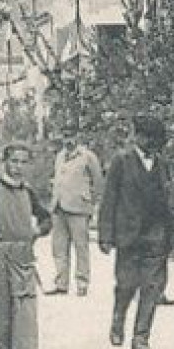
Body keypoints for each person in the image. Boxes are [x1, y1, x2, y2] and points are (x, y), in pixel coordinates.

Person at [99, 114, 174, 349]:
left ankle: (141, 337)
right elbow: (109, 199)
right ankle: (118, 317)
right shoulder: (121, 161)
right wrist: (106, 235)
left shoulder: (162, 164)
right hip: (128, 235)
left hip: (155, 235)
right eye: (148, 137)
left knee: (152, 287)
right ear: (138, 136)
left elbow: (167, 200)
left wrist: (172, 230)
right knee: (126, 284)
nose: (152, 143)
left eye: (156, 139)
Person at [0, 143, 52, 349]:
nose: (18, 166)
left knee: (23, 319)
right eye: (14, 161)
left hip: (23, 259)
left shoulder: (29, 192)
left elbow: (46, 219)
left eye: (23, 162)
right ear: (5, 162)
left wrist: (38, 230)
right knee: (0, 316)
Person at [46, 124, 103, 297]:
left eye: (70, 136)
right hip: (59, 206)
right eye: (64, 136)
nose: (67, 140)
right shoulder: (60, 156)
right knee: (59, 247)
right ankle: (61, 283)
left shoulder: (87, 156)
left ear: (78, 136)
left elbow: (98, 182)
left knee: (81, 247)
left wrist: (91, 203)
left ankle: (82, 283)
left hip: (79, 207)